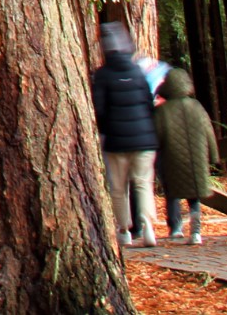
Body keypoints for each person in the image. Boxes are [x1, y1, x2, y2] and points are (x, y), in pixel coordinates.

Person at [91, 21, 159, 248]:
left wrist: (103, 132)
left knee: (119, 187)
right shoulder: (138, 72)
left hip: (116, 140)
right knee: (142, 183)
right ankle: (147, 225)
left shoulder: (102, 76)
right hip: (144, 140)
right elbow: (148, 104)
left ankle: (124, 229)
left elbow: (99, 109)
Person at [154, 67, 218, 244]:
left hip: (171, 159)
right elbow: (209, 132)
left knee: (172, 194)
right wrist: (214, 156)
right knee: (194, 196)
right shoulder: (196, 106)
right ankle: (196, 232)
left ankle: (176, 229)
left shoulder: (162, 111)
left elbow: (156, 136)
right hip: (196, 159)